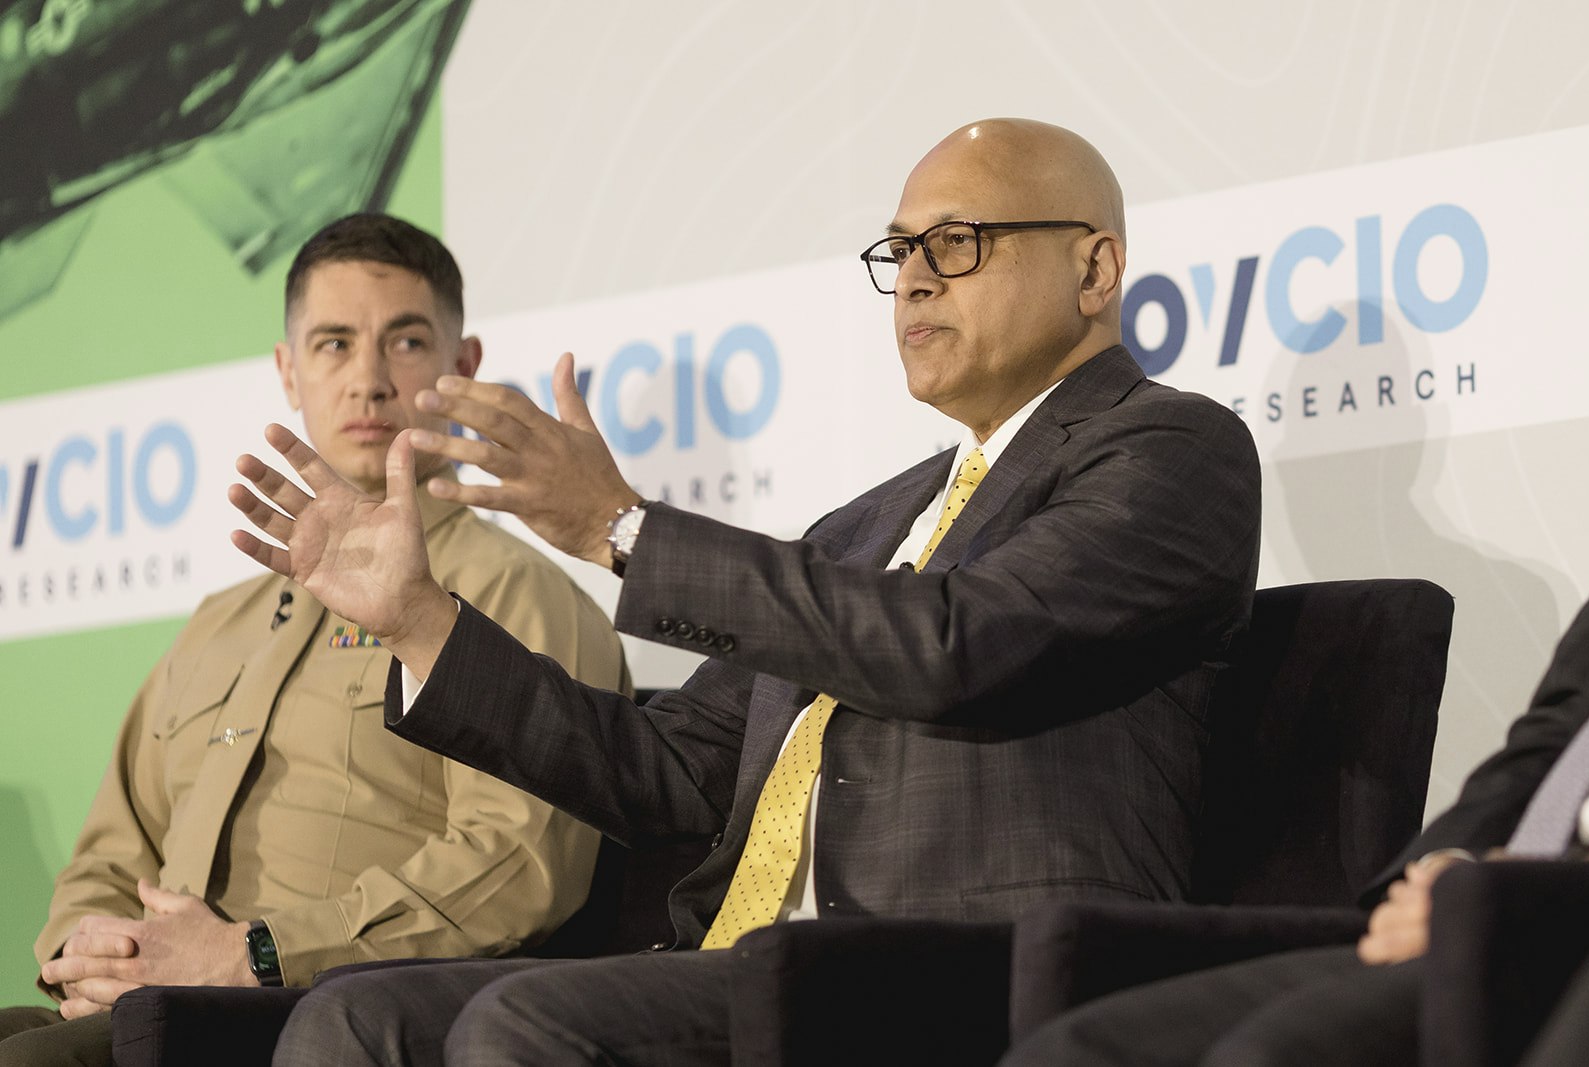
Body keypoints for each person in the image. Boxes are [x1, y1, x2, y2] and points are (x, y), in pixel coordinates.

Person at [233, 119, 1263, 1065]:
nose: (913, 280)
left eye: (956, 243)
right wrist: (421, 622)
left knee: (527, 1026)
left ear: (1095, 268)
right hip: (746, 960)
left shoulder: (1171, 449)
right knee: (354, 1018)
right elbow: (673, 770)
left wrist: (624, 530)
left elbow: (957, 643)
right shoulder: (866, 525)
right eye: (899, 250)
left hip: (960, 965)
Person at [0, 214, 630, 1067]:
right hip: (137, 1011)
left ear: (465, 364)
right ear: (288, 371)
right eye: (334, 344)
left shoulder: (516, 594)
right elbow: (111, 852)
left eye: (406, 342)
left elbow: (520, 861)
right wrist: (92, 954)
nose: (368, 381)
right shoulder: (216, 623)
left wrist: (259, 952)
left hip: (320, 1017)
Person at [997, 576, 1589, 1067]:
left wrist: (1512, 898)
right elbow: (1549, 737)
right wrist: (1444, 869)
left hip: (1559, 920)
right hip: (1479, 909)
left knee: (1269, 1056)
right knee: (1076, 1051)